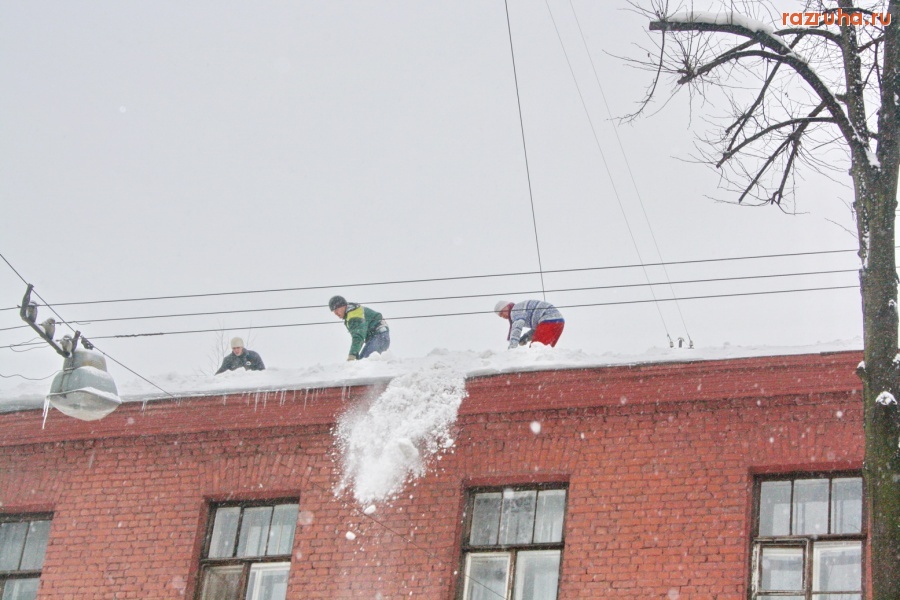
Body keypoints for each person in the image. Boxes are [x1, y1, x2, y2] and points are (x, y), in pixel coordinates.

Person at [329, 295, 390, 360]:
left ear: (343, 306)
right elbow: (359, 338)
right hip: (377, 337)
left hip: (380, 336)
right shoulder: (351, 313)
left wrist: (352, 355)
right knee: (362, 362)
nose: (335, 313)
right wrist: (356, 355)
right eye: (333, 311)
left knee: (365, 363)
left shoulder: (354, 315)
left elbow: (358, 337)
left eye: (336, 309)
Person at [494, 299, 565, 349]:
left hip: (549, 320)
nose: (503, 317)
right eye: (500, 316)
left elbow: (517, 328)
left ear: (506, 307)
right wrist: (526, 336)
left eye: (501, 313)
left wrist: (512, 348)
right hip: (558, 322)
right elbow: (539, 327)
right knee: (545, 351)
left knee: (536, 350)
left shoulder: (515, 310)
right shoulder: (520, 309)